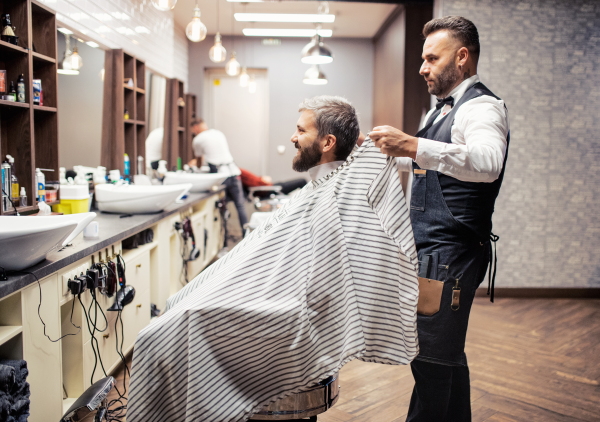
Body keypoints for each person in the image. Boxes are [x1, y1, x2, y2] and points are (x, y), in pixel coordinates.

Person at [127, 96, 420, 422]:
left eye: (300, 130)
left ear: (327, 142)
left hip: (293, 314)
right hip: (282, 298)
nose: (292, 137)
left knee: (162, 333)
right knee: (176, 307)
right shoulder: (319, 188)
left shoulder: (338, 192)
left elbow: (316, 288)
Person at [369, 16, 509, 421]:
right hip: (429, 250)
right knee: (443, 354)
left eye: (432, 58)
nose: (422, 67)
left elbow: (487, 163)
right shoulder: (436, 113)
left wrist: (412, 145)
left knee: (430, 360)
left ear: (462, 58)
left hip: (452, 255)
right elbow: (431, 168)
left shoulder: (482, 106)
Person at [189, 118, 248, 235]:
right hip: (234, 172)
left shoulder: (198, 139)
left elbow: (199, 161)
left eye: (193, 131)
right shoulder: (218, 133)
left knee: (222, 210)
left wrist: (194, 165)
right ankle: (247, 236)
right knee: (240, 206)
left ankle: (224, 243)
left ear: (196, 127)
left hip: (222, 177)